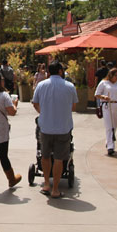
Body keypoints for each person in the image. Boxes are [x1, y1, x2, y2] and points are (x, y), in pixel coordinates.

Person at [32, 61, 78, 198]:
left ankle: (46, 184)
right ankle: (55, 189)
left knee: (45, 156)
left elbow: (35, 103)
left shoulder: (41, 85)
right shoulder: (70, 86)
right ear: (59, 71)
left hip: (45, 127)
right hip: (63, 127)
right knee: (59, 158)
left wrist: (43, 113)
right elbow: (74, 107)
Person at [95, 67, 117, 156]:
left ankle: (109, 141)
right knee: (109, 126)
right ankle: (110, 146)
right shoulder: (103, 83)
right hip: (107, 106)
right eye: (116, 75)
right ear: (111, 75)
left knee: (114, 125)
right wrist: (104, 97)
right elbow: (97, 94)